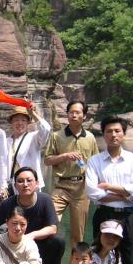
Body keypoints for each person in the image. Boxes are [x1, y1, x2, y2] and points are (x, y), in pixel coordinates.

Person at [86, 115, 133, 264]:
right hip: (104, 214)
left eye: (117, 131)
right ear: (103, 134)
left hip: (128, 216)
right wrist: (123, 194)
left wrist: (108, 187)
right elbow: (92, 192)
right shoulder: (95, 161)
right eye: (109, 131)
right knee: (100, 260)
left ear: (124, 134)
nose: (113, 135)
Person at [0, 167, 65, 264]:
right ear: (15, 186)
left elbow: (52, 228)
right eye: (20, 181)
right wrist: (2, 243)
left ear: (37, 183)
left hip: (38, 242)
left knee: (58, 241)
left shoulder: (45, 199)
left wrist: (32, 235)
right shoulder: (7, 203)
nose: (25, 184)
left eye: (29, 180)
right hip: (15, 245)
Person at [44, 100, 98, 246]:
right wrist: (64, 156)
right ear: (67, 115)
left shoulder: (90, 138)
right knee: (49, 223)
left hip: (81, 188)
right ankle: (47, 261)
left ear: (84, 116)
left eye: (77, 112)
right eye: (71, 112)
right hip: (60, 185)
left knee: (77, 233)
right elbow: (47, 160)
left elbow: (96, 164)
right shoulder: (57, 136)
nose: (74, 115)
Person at [6, 104, 50, 192]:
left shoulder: (33, 137)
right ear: (11, 122)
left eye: (23, 120)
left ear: (28, 123)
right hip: (12, 186)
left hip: (30, 186)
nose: (20, 123)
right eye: (16, 120)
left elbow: (46, 129)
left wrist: (33, 113)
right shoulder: (6, 141)